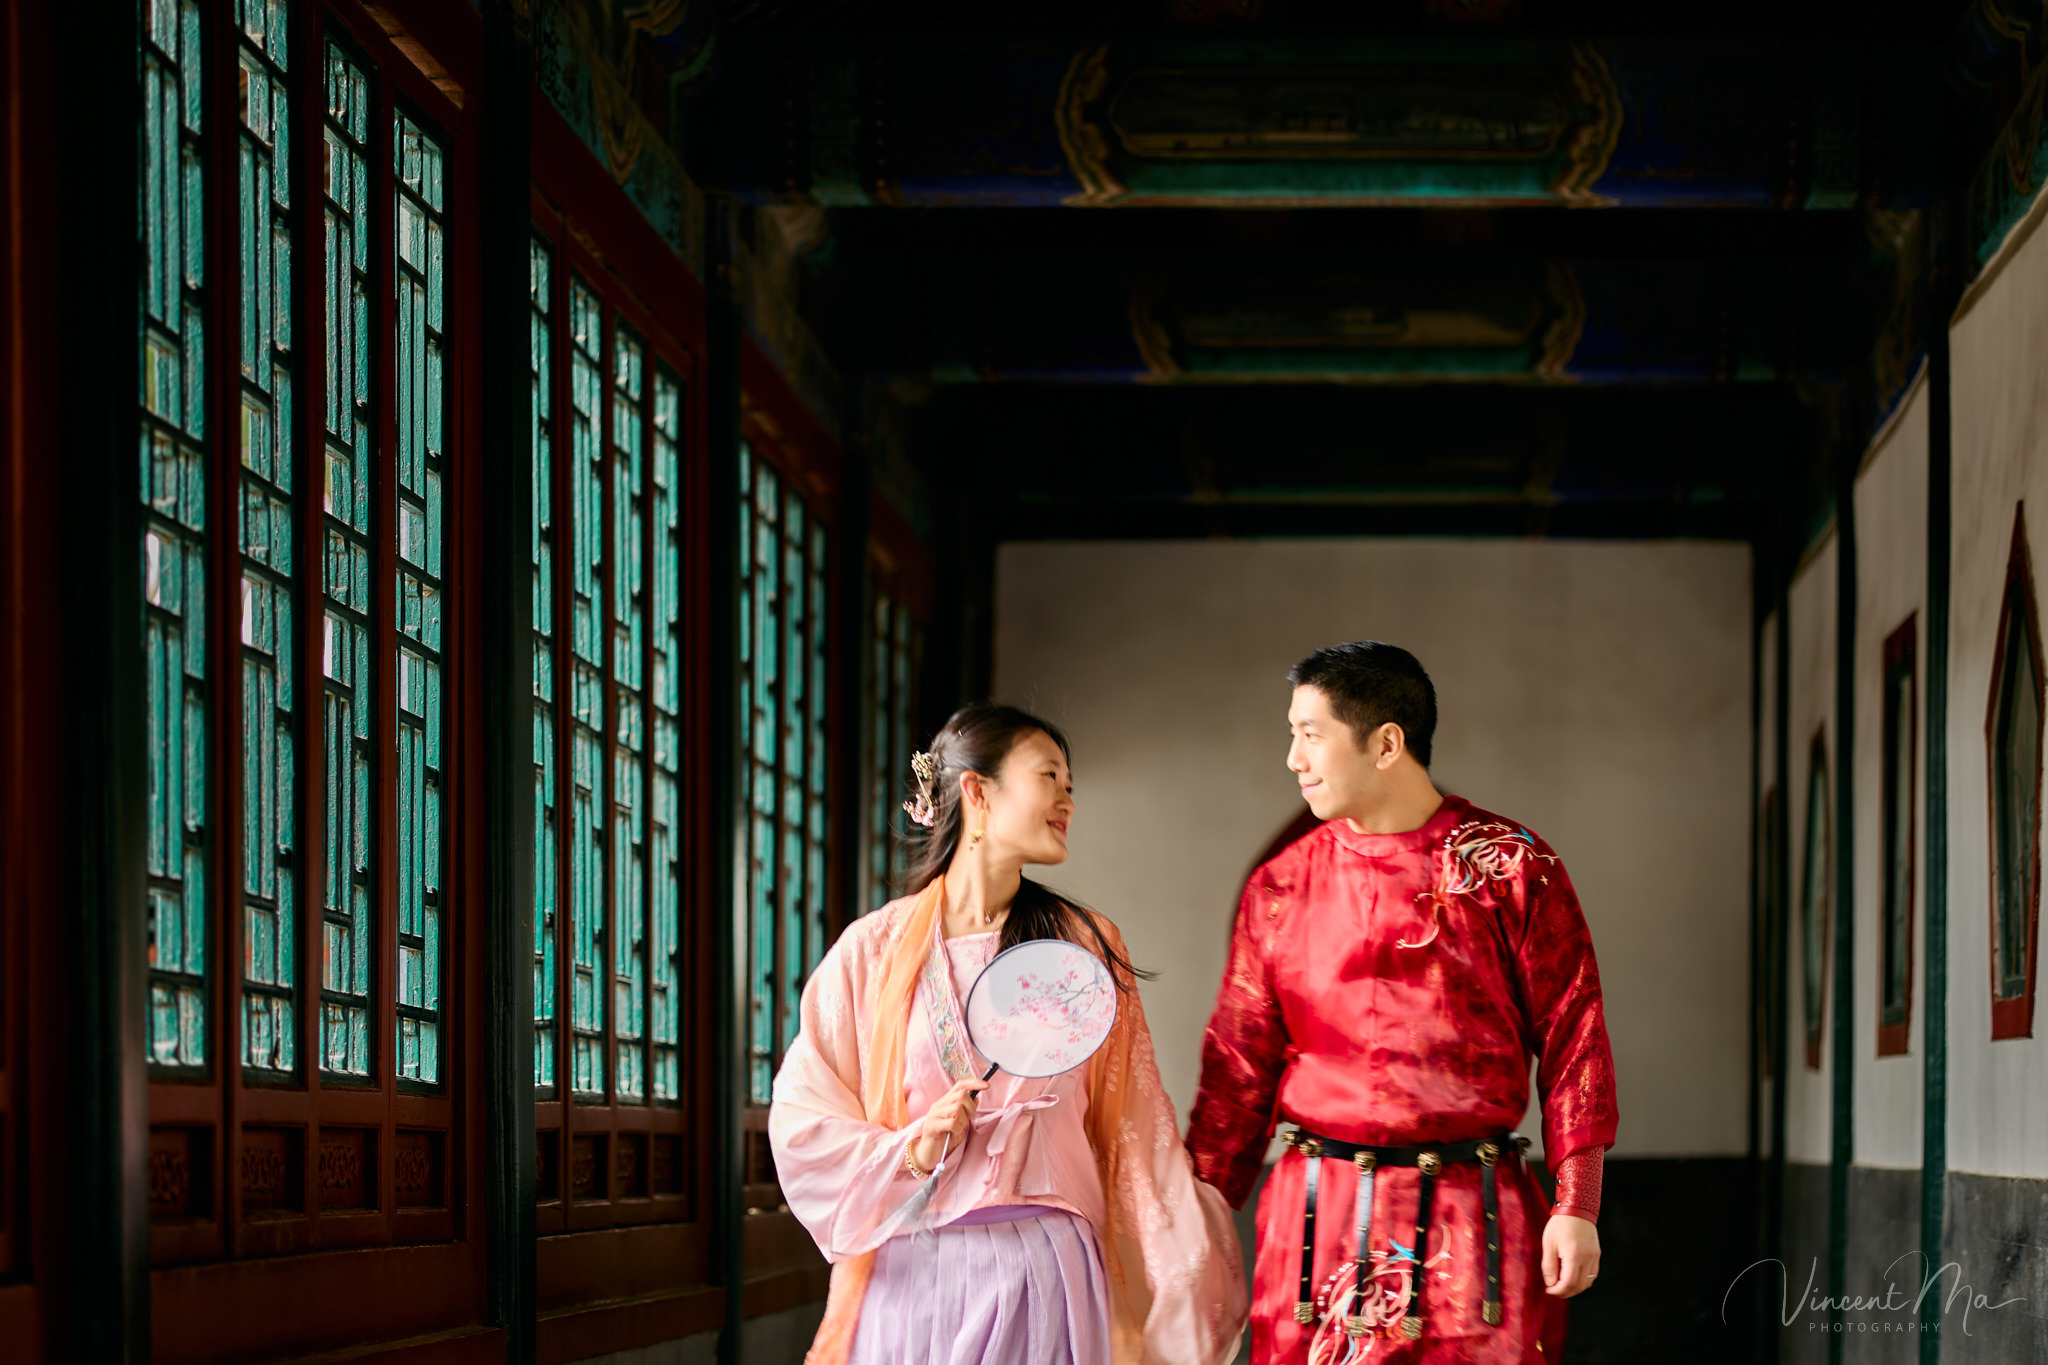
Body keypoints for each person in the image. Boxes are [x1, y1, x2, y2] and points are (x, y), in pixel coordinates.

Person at [770, 703, 1247, 1365]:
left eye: (1071, 785)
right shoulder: (872, 952)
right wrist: (910, 1150)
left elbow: (1134, 1126)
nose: (1067, 800)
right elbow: (802, 1117)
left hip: (1046, 1269)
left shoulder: (1085, 945)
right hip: (912, 1276)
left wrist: (1185, 1260)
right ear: (977, 791)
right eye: (1049, 776)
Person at [1187, 643, 1618, 1364]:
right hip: (1314, 1221)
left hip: (1470, 1212)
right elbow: (1239, 1062)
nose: (1293, 757)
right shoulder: (1281, 885)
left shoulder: (1510, 865)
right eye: (1290, 733)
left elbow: (1575, 1032)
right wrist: (1196, 1216)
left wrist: (1577, 1202)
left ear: (1387, 742)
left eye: (1310, 732)